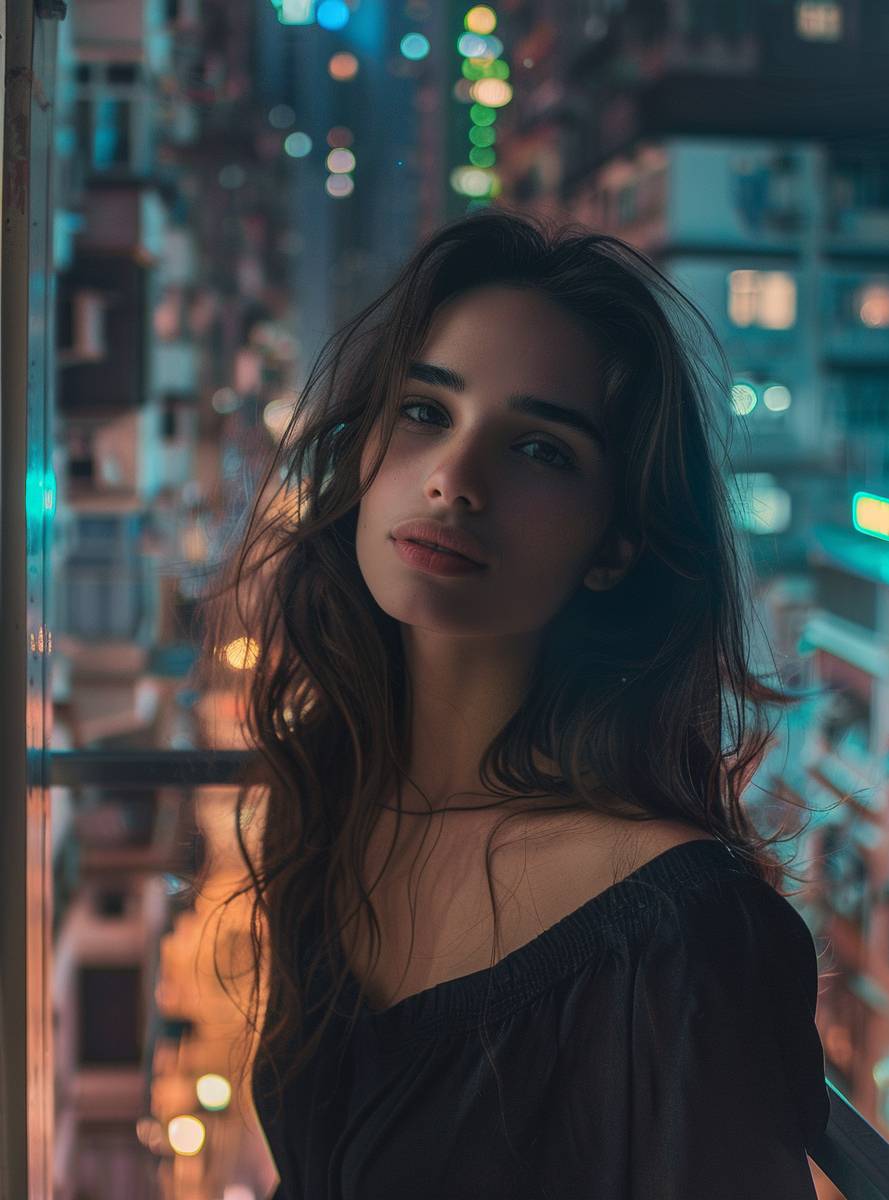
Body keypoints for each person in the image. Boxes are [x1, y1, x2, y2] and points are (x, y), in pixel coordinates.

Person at [194, 206, 832, 1198]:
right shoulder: (332, 794)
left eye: (541, 450)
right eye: (423, 412)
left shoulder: (681, 936)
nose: (453, 479)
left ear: (615, 547)